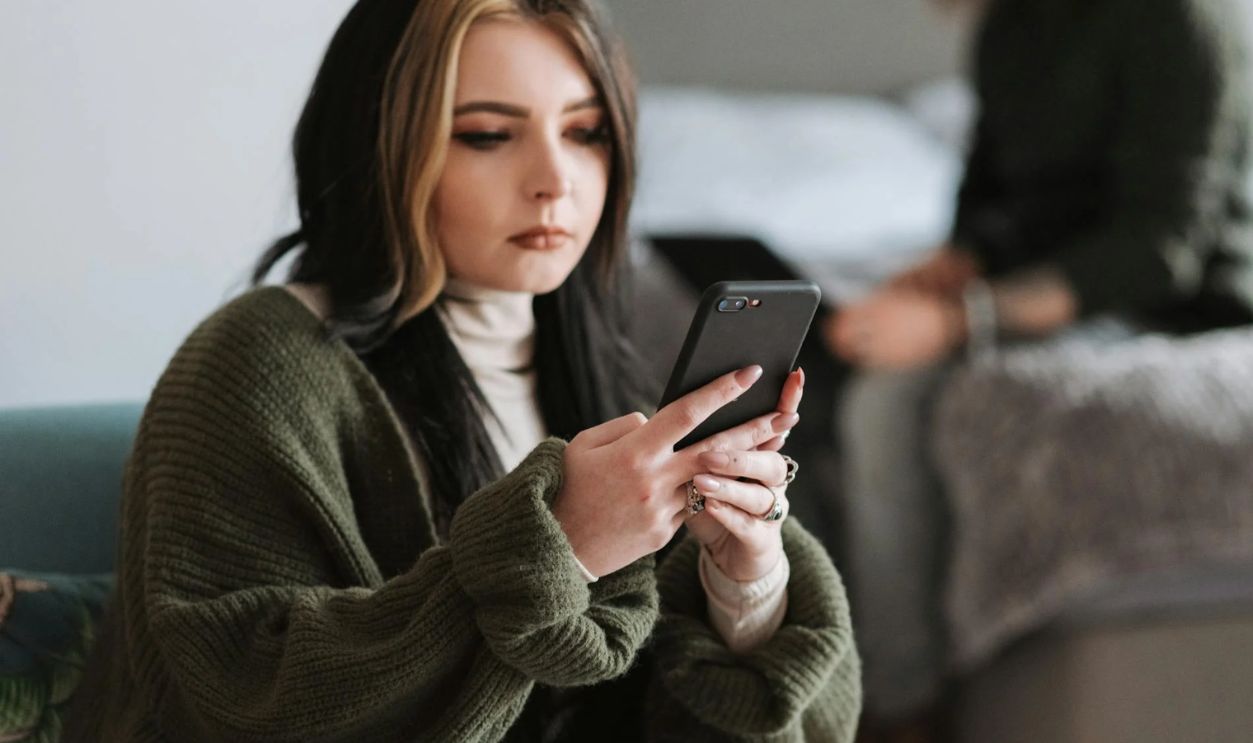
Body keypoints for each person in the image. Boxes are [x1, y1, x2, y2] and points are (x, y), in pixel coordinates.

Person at [65, 1, 862, 741]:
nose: (556, 179)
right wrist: (560, 549)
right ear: (379, 141)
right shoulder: (261, 358)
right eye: (487, 134)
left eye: (585, 133)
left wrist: (744, 588)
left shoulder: (607, 372)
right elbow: (241, 693)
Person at [823, 0, 1253, 738]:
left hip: (1167, 307)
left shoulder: (1176, 24)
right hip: (1031, 289)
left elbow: (1155, 251)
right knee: (844, 367)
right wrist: (947, 270)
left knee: (886, 406)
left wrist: (964, 319)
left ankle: (902, 709)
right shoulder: (1008, 29)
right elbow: (988, 202)